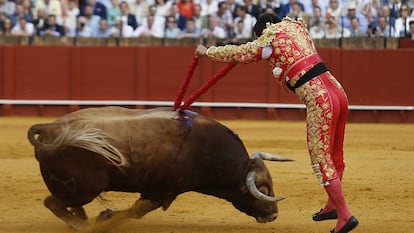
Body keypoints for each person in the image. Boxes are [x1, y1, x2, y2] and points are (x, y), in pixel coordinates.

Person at [195, 13, 359, 233]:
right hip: (338, 92)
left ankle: (345, 215)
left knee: (321, 160)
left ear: (261, 32)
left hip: (320, 99)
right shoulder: (296, 28)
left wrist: (208, 52)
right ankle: (332, 206)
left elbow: (242, 52)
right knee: (335, 154)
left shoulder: (268, 39)